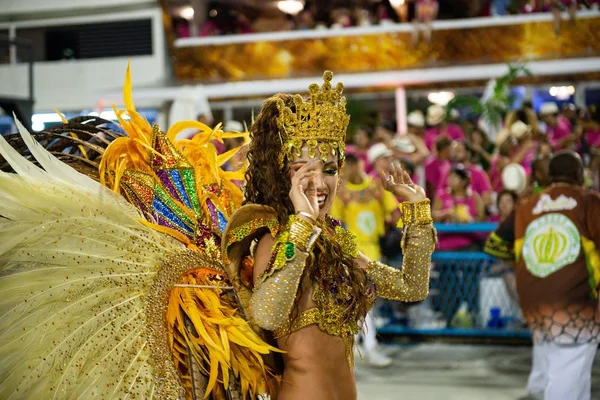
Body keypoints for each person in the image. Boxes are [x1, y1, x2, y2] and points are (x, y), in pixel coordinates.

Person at [224, 71, 436, 399]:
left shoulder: (336, 242)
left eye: (329, 169)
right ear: (281, 174)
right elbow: (266, 313)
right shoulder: (273, 238)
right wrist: (303, 224)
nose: (320, 184)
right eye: (304, 170)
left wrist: (417, 212)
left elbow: (411, 287)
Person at [484, 150, 600, 400]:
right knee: (569, 371)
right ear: (579, 175)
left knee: (571, 372)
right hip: (575, 303)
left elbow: (493, 245)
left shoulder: (527, 206)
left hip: (533, 301)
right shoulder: (588, 201)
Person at [331, 153, 399, 368]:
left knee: (365, 303)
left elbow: (394, 213)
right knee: (364, 301)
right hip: (354, 254)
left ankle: (357, 345)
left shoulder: (377, 187)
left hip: (375, 251)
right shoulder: (341, 194)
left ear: (354, 165)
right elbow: (334, 223)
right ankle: (368, 347)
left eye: (345, 167)